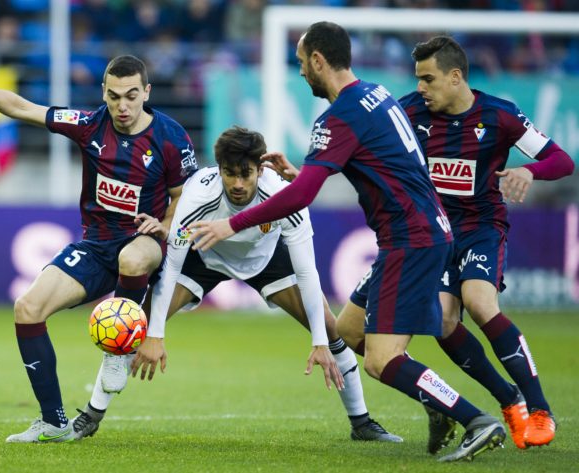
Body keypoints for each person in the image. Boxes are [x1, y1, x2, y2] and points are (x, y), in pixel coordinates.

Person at [187, 22, 506, 462]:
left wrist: (231, 224)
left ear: (319, 60)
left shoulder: (339, 117)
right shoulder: (373, 94)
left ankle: (474, 419)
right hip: (418, 232)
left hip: (410, 239)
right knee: (349, 330)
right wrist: (300, 174)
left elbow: (300, 200)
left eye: (301, 63)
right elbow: (377, 167)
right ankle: (439, 407)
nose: (300, 72)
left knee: (381, 360)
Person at [0, 55, 198, 443]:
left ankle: (115, 353)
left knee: (132, 257)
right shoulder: (89, 125)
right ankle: (53, 421)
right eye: (114, 96)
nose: (122, 106)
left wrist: (164, 225)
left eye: (132, 96)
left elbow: (184, 199)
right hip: (96, 245)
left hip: (147, 243)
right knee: (27, 308)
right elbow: (22, 107)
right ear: (103, 92)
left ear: (146, 93)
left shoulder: (171, 137)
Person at [70, 126, 403, 444]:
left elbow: (307, 273)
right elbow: (172, 263)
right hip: (206, 254)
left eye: (246, 173)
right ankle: (91, 415)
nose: (239, 183)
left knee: (330, 329)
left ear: (261, 169)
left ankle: (362, 423)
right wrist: (155, 335)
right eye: (230, 173)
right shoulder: (199, 192)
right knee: (137, 325)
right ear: (219, 169)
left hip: (266, 259)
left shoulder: (284, 196)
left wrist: (319, 342)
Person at [332, 36, 573, 452]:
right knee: (442, 321)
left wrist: (531, 172)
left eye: (429, 79)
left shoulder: (499, 116)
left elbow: (561, 160)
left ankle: (539, 409)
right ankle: (505, 399)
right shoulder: (408, 111)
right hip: (433, 233)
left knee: (479, 303)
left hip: (480, 227)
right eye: (418, 80)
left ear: (456, 77)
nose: (421, 88)